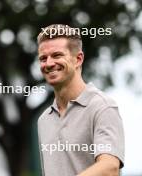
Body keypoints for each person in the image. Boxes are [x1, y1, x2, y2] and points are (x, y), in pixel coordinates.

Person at [37, 24, 125, 176]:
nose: (49, 63)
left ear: (78, 59)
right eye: (43, 58)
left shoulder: (102, 107)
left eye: (57, 55)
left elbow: (110, 168)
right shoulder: (44, 120)